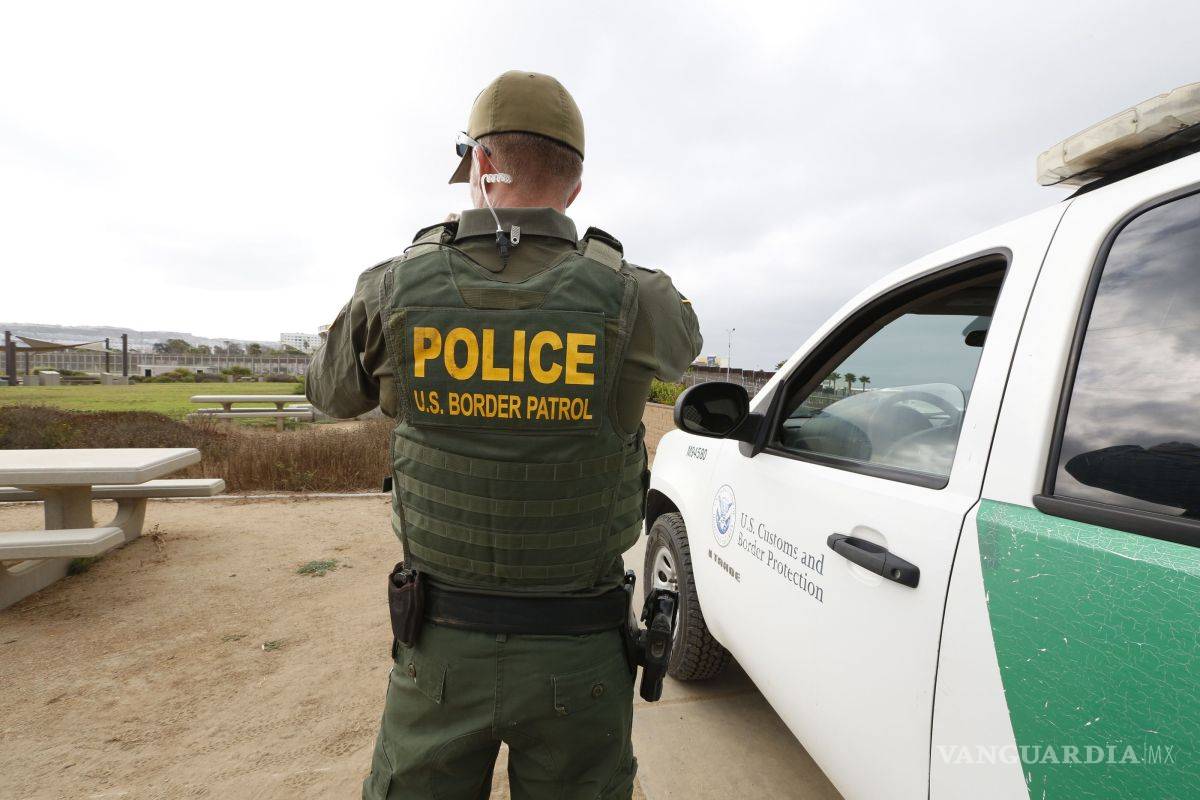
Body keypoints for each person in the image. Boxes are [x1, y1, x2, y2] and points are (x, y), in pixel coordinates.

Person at [306, 70, 702, 800]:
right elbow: (684, 346)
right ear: (573, 188)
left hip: (440, 649)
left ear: (482, 164)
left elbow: (327, 393)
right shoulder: (638, 297)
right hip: (581, 658)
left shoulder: (391, 288)